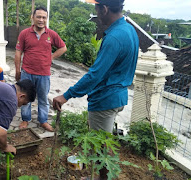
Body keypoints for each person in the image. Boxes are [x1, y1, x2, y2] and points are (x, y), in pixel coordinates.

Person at [53, 0, 139, 179]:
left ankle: (101, 178)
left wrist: (66, 95)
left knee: (100, 148)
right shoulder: (129, 30)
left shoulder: (114, 37)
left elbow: (95, 75)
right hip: (119, 96)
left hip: (105, 100)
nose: (97, 14)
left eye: (97, 8)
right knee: (104, 143)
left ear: (104, 9)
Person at [15, 6, 67, 132]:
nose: (41, 20)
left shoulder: (52, 34)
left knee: (43, 98)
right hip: (27, 72)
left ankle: (43, 121)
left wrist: (51, 57)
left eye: (44, 17)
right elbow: (18, 53)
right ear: (32, 17)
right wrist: (17, 71)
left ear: (46, 19)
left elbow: (63, 47)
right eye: (38, 17)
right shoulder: (24, 34)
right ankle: (25, 119)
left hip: (44, 74)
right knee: (25, 96)